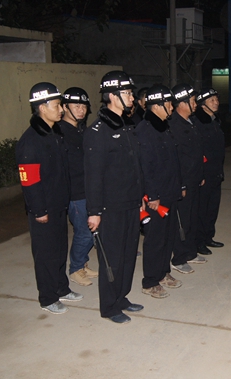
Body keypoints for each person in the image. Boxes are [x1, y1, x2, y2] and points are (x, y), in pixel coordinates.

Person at [16, 82, 82, 314]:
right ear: (42, 108)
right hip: (43, 208)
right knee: (45, 254)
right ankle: (48, 297)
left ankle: (61, 288)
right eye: (57, 105)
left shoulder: (55, 133)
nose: (62, 109)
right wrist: (39, 210)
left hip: (58, 204)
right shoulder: (31, 140)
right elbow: (29, 181)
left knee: (59, 249)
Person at [84, 71, 145, 323]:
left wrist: (140, 196)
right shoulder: (98, 131)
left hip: (131, 202)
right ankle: (109, 306)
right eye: (127, 93)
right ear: (112, 96)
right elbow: (93, 175)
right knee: (113, 258)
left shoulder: (127, 125)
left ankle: (121, 297)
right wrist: (94, 211)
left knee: (129, 255)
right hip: (111, 207)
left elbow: (135, 166)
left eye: (131, 92)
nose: (132, 97)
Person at [136, 84, 183, 298]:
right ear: (157, 106)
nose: (172, 108)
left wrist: (179, 186)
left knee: (168, 236)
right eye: (169, 104)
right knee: (155, 239)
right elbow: (146, 166)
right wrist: (152, 195)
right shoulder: (145, 130)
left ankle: (163, 272)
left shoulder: (164, 126)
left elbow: (172, 161)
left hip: (169, 191)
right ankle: (150, 281)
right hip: (156, 196)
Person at [59, 87, 99, 287]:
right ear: (65, 107)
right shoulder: (59, 132)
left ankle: (82, 263)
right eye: (76, 106)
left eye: (84, 106)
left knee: (92, 230)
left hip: (88, 189)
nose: (81, 110)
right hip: (75, 192)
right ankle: (75, 269)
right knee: (84, 232)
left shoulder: (82, 130)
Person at [169, 84, 207, 274]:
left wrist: (200, 175)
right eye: (192, 101)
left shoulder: (190, 122)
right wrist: (181, 184)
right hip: (183, 182)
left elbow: (195, 153)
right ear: (182, 103)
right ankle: (179, 258)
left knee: (192, 217)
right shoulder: (174, 125)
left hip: (194, 179)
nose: (195, 104)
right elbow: (176, 159)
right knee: (182, 221)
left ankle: (190, 251)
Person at [192, 88, 225, 255]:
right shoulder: (198, 123)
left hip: (216, 172)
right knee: (202, 210)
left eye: (216, 99)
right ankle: (199, 242)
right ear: (202, 104)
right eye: (212, 100)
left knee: (212, 208)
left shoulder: (214, 120)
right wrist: (201, 173)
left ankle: (208, 237)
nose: (216, 103)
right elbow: (197, 151)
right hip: (205, 174)